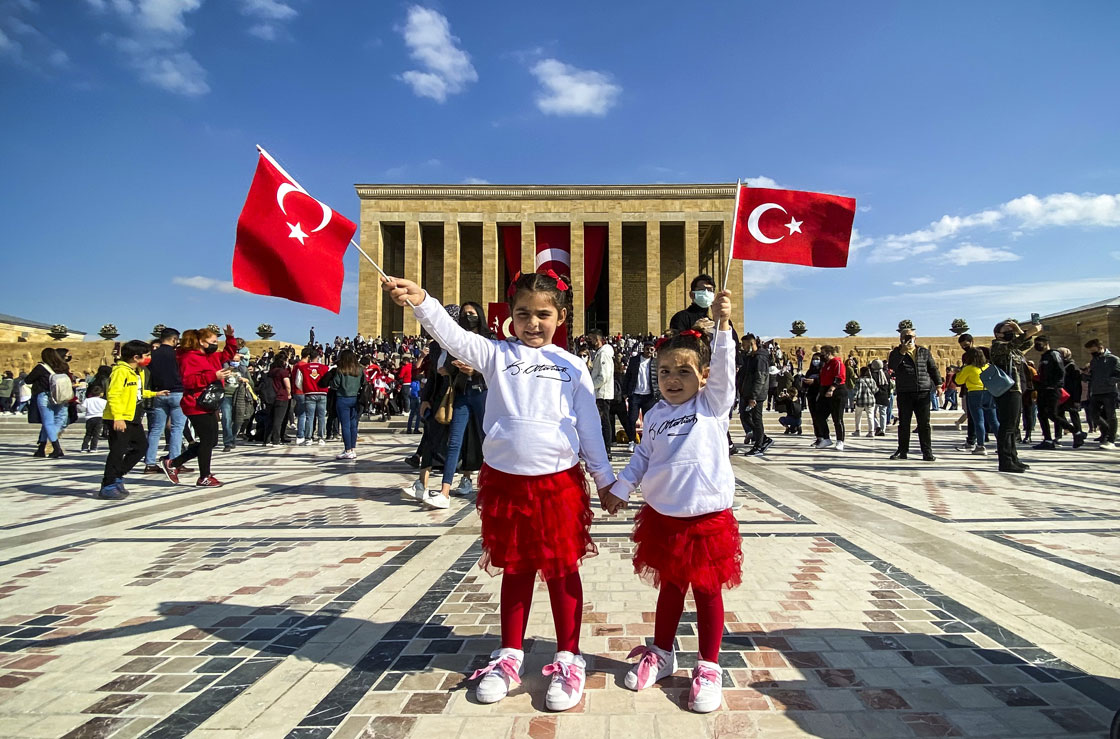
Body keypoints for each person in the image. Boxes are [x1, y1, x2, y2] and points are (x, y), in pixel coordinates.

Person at [383, 270, 616, 713]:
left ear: (561, 317)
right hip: (507, 483)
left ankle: (569, 656)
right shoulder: (496, 355)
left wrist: (604, 480)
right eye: (524, 313)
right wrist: (421, 300)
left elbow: (588, 425)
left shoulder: (573, 365)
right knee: (516, 568)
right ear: (510, 317)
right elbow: (451, 336)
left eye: (543, 314)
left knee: (563, 569)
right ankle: (510, 654)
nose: (533, 323)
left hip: (557, 483)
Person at [612, 291, 741, 714]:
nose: (672, 379)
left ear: (703, 376)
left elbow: (725, 371)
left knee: (706, 592)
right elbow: (643, 457)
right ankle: (663, 653)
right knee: (669, 588)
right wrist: (621, 486)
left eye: (684, 372)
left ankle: (708, 666)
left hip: (706, 518)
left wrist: (722, 327)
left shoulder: (712, 405)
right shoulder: (654, 415)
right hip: (664, 517)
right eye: (664, 371)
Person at [162, 325, 238, 488]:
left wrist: (230, 338)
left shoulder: (210, 356)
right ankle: (204, 476)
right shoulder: (189, 357)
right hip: (195, 403)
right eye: (213, 341)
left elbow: (228, 354)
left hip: (209, 402)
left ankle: (173, 463)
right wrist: (214, 375)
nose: (215, 343)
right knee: (207, 440)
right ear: (202, 342)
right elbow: (188, 381)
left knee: (211, 441)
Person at [433, 301, 491, 507]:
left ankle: (491, 488)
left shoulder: (489, 338)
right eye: (465, 314)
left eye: (472, 313)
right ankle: (445, 491)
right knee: (455, 441)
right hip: (462, 393)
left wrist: (474, 371)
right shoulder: (457, 339)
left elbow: (494, 367)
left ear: (480, 315)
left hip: (482, 393)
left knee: (489, 441)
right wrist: (453, 366)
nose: (468, 317)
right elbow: (445, 363)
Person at [100, 340, 170, 499]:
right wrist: (118, 417)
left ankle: (119, 474)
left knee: (141, 447)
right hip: (119, 417)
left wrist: (154, 394)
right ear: (135, 357)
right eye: (146, 355)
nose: (148, 358)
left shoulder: (138, 371)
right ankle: (108, 484)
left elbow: (137, 392)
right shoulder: (120, 371)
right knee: (117, 451)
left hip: (133, 416)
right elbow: (114, 394)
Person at [990, 318, 1041, 471]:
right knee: (1007, 425)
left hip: (1016, 389)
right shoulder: (997, 346)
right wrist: (1027, 333)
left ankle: (1013, 457)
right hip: (1006, 390)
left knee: (1013, 426)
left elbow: (1026, 344)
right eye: (1007, 331)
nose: (1010, 334)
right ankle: (1005, 461)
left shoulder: (1013, 349)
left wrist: (1020, 331)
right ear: (998, 334)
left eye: (1011, 331)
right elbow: (1015, 344)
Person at [887, 325, 941, 461]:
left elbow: (932, 368)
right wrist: (902, 352)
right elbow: (892, 367)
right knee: (904, 423)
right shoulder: (896, 353)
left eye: (911, 337)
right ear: (900, 339)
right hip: (905, 391)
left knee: (924, 424)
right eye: (905, 337)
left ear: (915, 338)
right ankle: (902, 451)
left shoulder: (923, 352)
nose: (908, 339)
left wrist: (939, 384)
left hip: (922, 391)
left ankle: (927, 452)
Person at [1033, 336, 1084, 449]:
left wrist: (1055, 386)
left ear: (1046, 343)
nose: (1037, 346)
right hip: (1043, 389)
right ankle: (1048, 440)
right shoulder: (1044, 356)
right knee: (1041, 414)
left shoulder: (1053, 354)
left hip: (1052, 389)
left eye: (1039, 343)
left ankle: (1076, 432)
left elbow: (1061, 372)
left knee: (1052, 414)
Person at [25, 347, 71, 458]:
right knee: (48, 423)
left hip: (45, 396)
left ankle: (57, 449)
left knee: (48, 422)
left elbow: (28, 380)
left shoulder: (41, 367)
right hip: (59, 396)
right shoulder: (63, 366)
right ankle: (41, 448)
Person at [955, 349, 998, 457]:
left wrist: (958, 373)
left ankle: (980, 445)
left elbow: (959, 381)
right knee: (993, 420)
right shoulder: (988, 366)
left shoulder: (969, 368)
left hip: (975, 394)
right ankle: (1003, 443)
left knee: (978, 421)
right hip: (989, 393)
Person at [737, 333, 771, 456]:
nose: (744, 348)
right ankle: (764, 438)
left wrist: (754, 397)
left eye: (745, 345)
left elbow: (760, 378)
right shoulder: (750, 357)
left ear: (752, 344)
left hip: (756, 395)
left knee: (756, 419)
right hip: (747, 393)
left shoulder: (759, 358)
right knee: (746, 417)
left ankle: (759, 446)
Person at [623, 341, 659, 453]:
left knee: (648, 421)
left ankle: (646, 443)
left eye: (652, 349)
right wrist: (625, 391)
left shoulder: (655, 362)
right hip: (635, 394)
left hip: (649, 395)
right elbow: (628, 376)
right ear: (643, 349)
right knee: (632, 419)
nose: (649, 351)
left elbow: (658, 378)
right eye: (647, 349)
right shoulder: (635, 361)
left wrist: (659, 393)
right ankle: (632, 441)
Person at [1085, 338, 1119, 450]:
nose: (1091, 353)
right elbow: (1093, 375)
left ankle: (1111, 440)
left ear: (1100, 347)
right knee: (1094, 415)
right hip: (1096, 391)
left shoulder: (1113, 359)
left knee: (1111, 415)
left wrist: (1110, 381)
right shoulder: (1094, 360)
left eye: (1093, 350)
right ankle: (1108, 431)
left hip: (1109, 391)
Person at [329, 349, 364, 460]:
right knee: (353, 425)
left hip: (342, 398)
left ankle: (347, 450)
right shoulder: (359, 370)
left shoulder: (341, 370)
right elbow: (364, 383)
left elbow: (335, 385)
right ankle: (352, 449)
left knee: (345, 425)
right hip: (355, 398)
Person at [588, 329, 616, 459]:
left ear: (597, 339)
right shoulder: (599, 353)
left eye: (591, 339)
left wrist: (590, 385)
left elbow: (603, 376)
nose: (589, 341)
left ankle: (606, 450)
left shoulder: (604, 354)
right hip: (598, 393)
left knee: (604, 423)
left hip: (602, 393)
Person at [295, 347, 330, 446]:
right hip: (322, 394)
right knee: (322, 417)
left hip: (309, 393)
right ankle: (321, 438)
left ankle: (308, 438)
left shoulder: (303, 368)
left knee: (309, 417)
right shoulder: (325, 368)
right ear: (318, 357)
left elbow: (298, 382)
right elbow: (329, 380)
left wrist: (305, 389)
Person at [816, 345, 847, 450]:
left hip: (836, 392)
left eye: (823, 353)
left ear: (829, 353)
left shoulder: (837, 363)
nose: (821, 355)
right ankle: (826, 438)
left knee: (837, 418)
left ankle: (840, 440)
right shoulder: (825, 365)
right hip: (825, 392)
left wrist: (831, 389)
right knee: (820, 416)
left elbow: (839, 377)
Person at [265, 353, 293, 446]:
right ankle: (276, 440)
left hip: (270, 397)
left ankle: (267, 439)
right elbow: (287, 385)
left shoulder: (271, 371)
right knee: (278, 420)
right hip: (281, 397)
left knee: (270, 418)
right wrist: (289, 394)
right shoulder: (283, 372)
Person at [80, 385, 107, 453]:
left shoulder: (87, 400)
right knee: (96, 434)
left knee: (88, 433)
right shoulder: (103, 401)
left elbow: (82, 408)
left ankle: (84, 447)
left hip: (89, 418)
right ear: (101, 393)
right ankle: (93, 448)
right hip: (99, 417)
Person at [853, 366, 878, 437]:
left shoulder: (859, 380)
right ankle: (871, 431)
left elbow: (856, 391)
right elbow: (876, 390)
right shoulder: (872, 380)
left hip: (860, 400)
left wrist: (854, 399)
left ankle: (858, 430)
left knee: (858, 416)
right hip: (870, 400)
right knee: (870, 416)